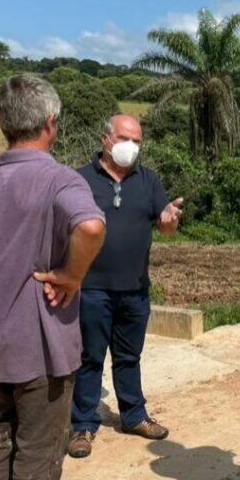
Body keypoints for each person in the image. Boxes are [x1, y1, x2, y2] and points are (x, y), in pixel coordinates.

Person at [0, 74, 106, 480]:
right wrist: (71, 274)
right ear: (50, 123)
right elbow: (91, 225)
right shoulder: (60, 179)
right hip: (41, 347)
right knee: (40, 444)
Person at [66, 114, 184, 459]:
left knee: (129, 357)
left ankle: (133, 415)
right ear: (105, 139)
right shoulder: (80, 180)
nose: (131, 147)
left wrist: (169, 221)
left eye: (137, 141)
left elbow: (165, 226)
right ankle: (82, 425)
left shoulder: (148, 180)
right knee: (89, 358)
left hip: (135, 288)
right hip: (91, 288)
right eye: (124, 139)